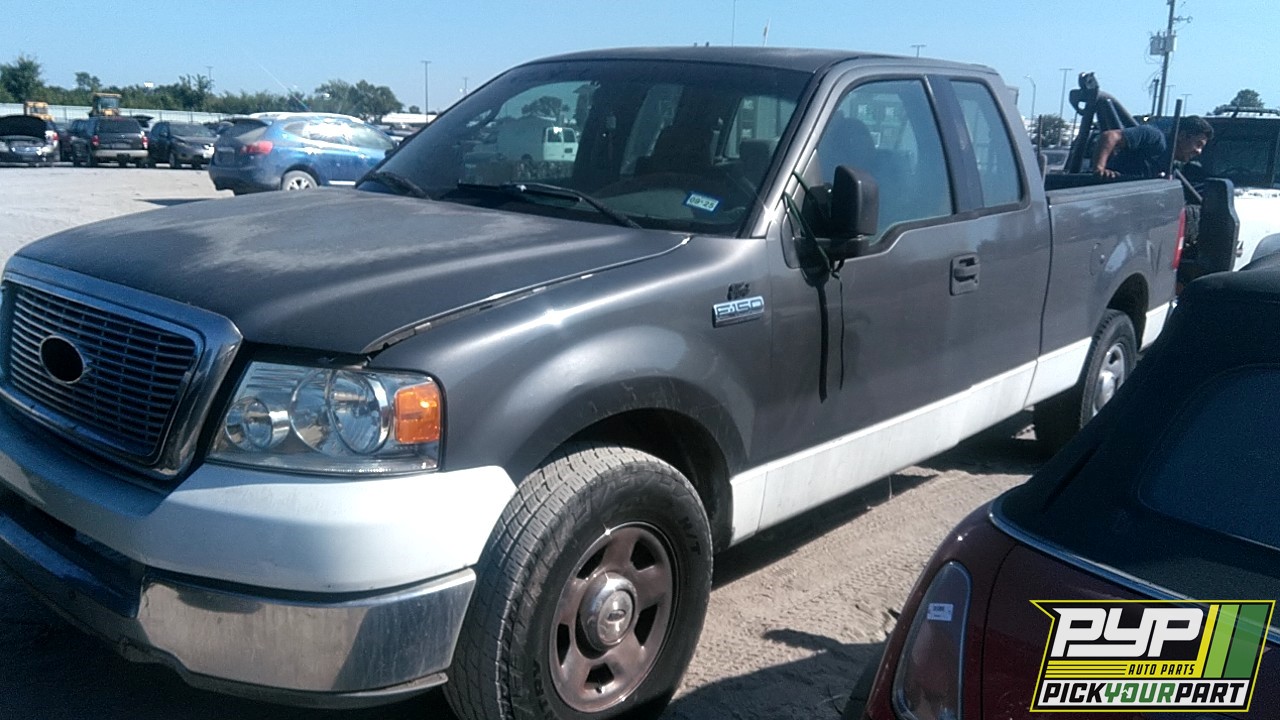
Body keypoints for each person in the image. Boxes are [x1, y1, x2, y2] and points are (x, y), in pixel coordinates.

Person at [1092, 116, 1213, 179]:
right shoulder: (1154, 138)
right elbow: (1110, 136)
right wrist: (1100, 169)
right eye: (1198, 144)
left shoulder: (1172, 167)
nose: (1199, 151)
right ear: (1182, 136)